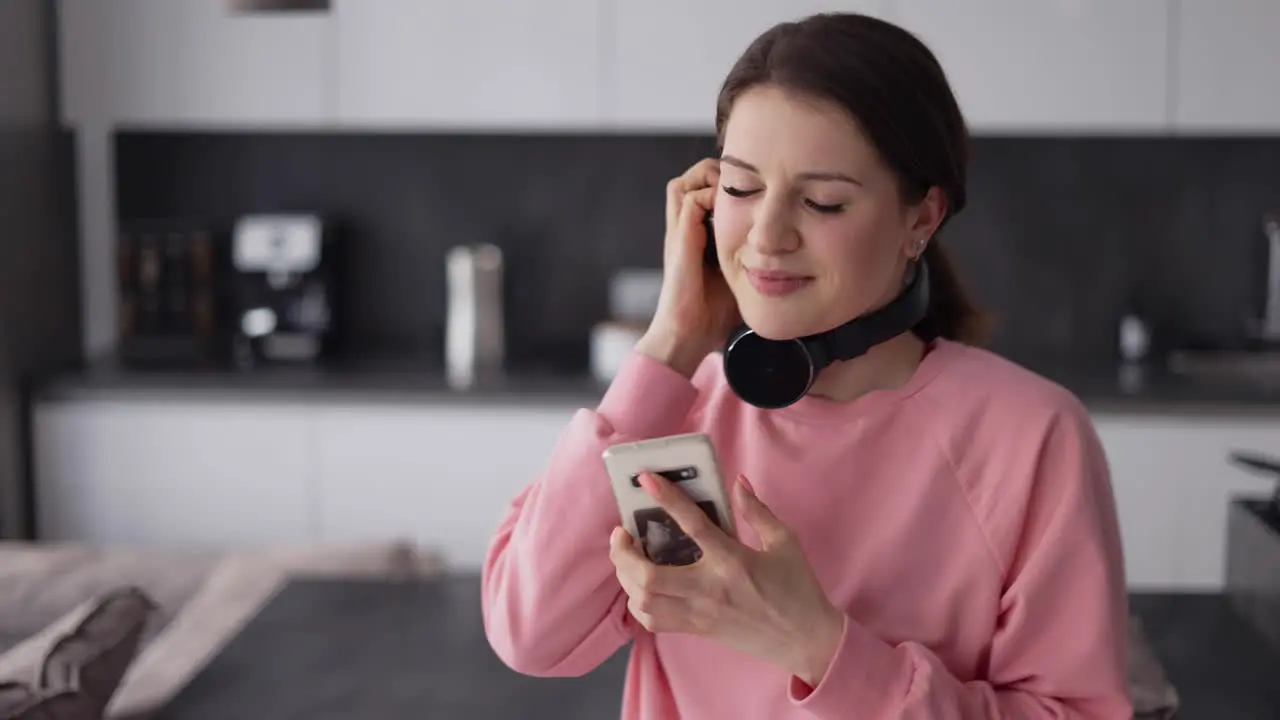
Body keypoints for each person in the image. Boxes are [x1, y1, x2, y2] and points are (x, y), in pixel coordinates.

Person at [481, 11, 1132, 719]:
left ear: (922, 219)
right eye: (739, 188)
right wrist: (668, 345)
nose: (766, 237)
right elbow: (530, 635)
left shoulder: (1031, 438)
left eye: (822, 201)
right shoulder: (675, 406)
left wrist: (819, 649)